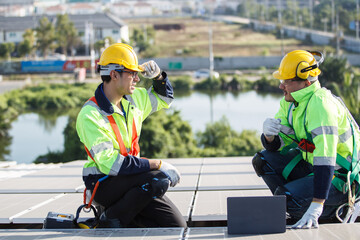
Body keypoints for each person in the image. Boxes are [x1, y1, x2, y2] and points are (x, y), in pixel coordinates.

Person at [76, 43, 186, 228]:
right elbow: (110, 163)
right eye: (132, 73)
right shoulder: (90, 115)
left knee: (177, 226)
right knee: (157, 178)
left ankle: (122, 216)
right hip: (103, 183)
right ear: (114, 74)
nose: (137, 78)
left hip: (132, 180)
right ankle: (108, 219)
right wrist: (157, 164)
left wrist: (158, 77)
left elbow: (165, 98)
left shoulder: (134, 100)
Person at [252, 50, 360, 228]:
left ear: (306, 82)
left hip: (339, 177)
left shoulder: (321, 105)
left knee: (287, 199)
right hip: (312, 166)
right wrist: (269, 137)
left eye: (286, 81)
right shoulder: (290, 102)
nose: (281, 86)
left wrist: (316, 205)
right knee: (262, 161)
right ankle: (294, 202)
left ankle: (333, 209)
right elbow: (279, 146)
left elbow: (325, 160)